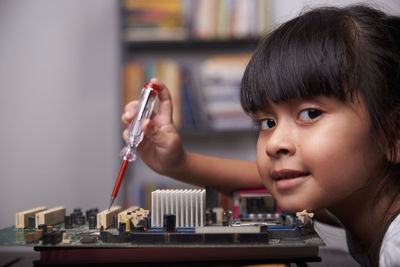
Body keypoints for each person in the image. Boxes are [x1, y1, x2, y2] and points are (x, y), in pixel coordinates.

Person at [122, 5, 400, 267]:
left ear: (393, 131)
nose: (275, 144)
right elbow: (262, 179)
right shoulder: (359, 202)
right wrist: (178, 163)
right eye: (267, 122)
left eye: (311, 114)